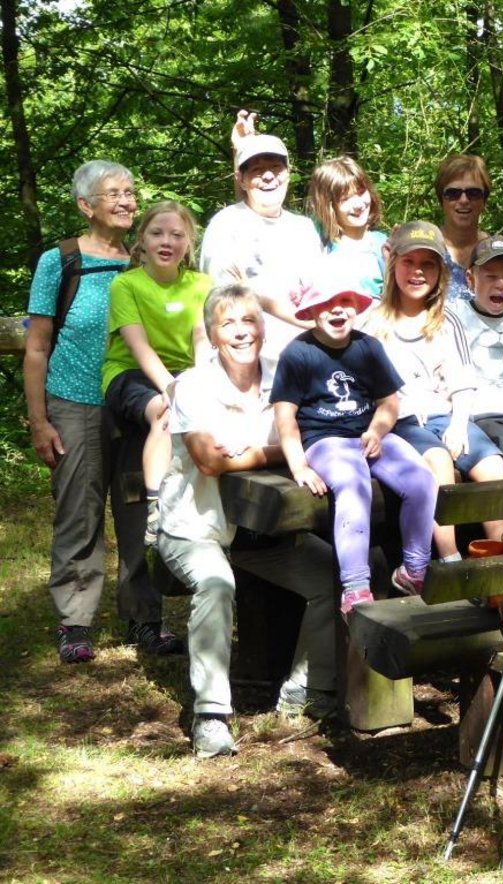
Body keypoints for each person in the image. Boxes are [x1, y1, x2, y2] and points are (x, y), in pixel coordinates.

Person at [157, 285, 340, 757]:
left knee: (337, 575)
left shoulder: (286, 376)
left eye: (250, 320)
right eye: (228, 323)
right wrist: (283, 451)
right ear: (213, 336)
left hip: (264, 532)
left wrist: (256, 451)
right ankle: (211, 715)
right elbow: (208, 461)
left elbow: (322, 438)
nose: (242, 332)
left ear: (264, 326)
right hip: (195, 526)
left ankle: (305, 689)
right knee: (216, 584)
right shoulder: (193, 384)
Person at [24, 159, 170, 662]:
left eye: (131, 191)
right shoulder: (59, 261)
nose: (129, 200)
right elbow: (37, 345)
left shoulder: (146, 257)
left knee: (139, 511)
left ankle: (144, 619)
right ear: (86, 205)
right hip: (74, 403)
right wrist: (40, 419)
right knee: (79, 512)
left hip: (134, 404)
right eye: (115, 193)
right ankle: (76, 621)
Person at [272, 280, 440, 607]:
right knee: (353, 484)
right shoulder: (298, 353)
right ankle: (355, 586)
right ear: (310, 311)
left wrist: (377, 431)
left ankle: (415, 569)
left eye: (347, 300)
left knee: (421, 478)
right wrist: (299, 466)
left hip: (368, 435)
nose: (338, 308)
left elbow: (389, 402)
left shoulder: (368, 347)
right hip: (325, 441)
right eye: (327, 301)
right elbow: (285, 418)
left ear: (358, 308)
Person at [361, 221, 503, 559]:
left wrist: (459, 425)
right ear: (393, 263)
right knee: (440, 463)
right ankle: (450, 559)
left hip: (446, 416)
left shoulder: (446, 321)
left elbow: (462, 384)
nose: (417, 272)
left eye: (427, 264)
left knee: (492, 467)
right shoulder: (371, 322)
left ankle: (502, 560)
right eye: (408, 262)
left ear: (439, 271)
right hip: (400, 421)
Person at [100, 200, 212, 547]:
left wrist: (202, 382)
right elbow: (138, 346)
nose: (167, 241)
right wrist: (173, 389)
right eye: (157, 233)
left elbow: (202, 339)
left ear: (189, 243)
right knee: (165, 411)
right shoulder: (125, 285)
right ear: (142, 240)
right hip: (130, 372)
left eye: (177, 235)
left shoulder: (202, 284)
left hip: (183, 371)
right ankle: (155, 508)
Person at [200, 116, 320, 359]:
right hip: (248, 361)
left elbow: (317, 296)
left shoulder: (305, 228)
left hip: (306, 358)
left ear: (288, 173)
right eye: (256, 170)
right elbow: (226, 300)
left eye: (276, 167)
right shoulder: (225, 225)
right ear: (241, 180)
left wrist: (253, 290)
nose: (268, 176)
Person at [447, 235, 503, 479]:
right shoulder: (454, 315)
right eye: (490, 276)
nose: (501, 285)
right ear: (470, 279)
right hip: (480, 415)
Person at [305, 156, 388, 299]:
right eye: (345, 199)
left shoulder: (383, 244)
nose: (358, 204)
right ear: (329, 206)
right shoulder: (319, 245)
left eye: (361, 192)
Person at [433, 154, 493, 303]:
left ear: (484, 200)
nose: (464, 200)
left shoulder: (495, 251)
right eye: (453, 193)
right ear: (442, 200)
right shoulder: (427, 248)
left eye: (473, 193)